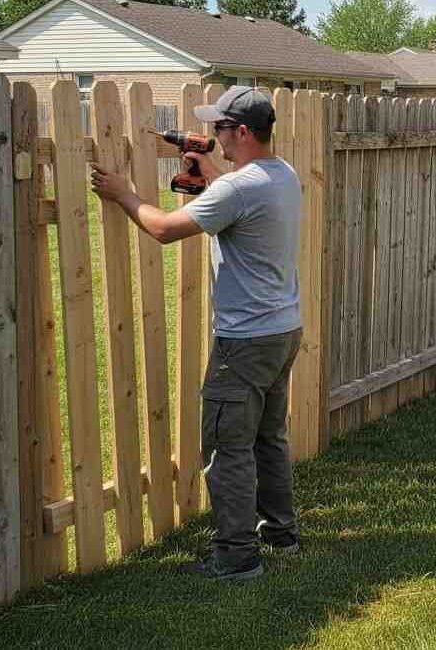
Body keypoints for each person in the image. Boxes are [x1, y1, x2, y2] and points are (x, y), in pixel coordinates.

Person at [90, 86, 303, 582]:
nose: (213, 136)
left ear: (242, 132)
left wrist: (123, 193)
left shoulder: (237, 189)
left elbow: (164, 229)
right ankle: (281, 534)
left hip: (244, 342)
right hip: (282, 331)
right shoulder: (282, 173)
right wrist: (211, 175)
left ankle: (237, 557)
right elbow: (239, 199)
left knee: (227, 447)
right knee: (268, 438)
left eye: (220, 128)